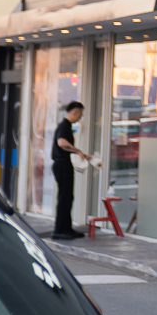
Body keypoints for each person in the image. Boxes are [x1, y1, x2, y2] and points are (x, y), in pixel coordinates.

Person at [51, 101, 93, 240]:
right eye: (80, 114)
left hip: (62, 164)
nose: (80, 117)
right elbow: (62, 143)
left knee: (67, 197)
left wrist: (81, 154)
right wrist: (78, 151)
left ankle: (66, 228)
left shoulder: (65, 126)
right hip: (62, 165)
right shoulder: (64, 126)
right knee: (65, 197)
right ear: (75, 112)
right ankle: (60, 230)